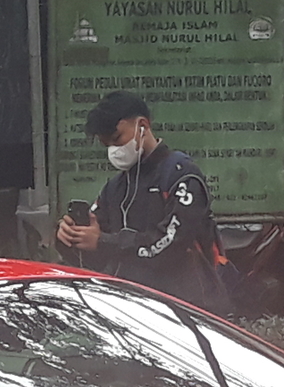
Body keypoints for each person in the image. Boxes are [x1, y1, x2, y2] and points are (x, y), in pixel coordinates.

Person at [54, 89, 228, 312]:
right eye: (108, 145)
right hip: (132, 309)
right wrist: (69, 236)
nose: (114, 150)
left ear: (143, 125)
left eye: (117, 139)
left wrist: (105, 241)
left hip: (189, 308)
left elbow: (171, 244)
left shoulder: (181, 174)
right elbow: (94, 255)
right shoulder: (115, 187)